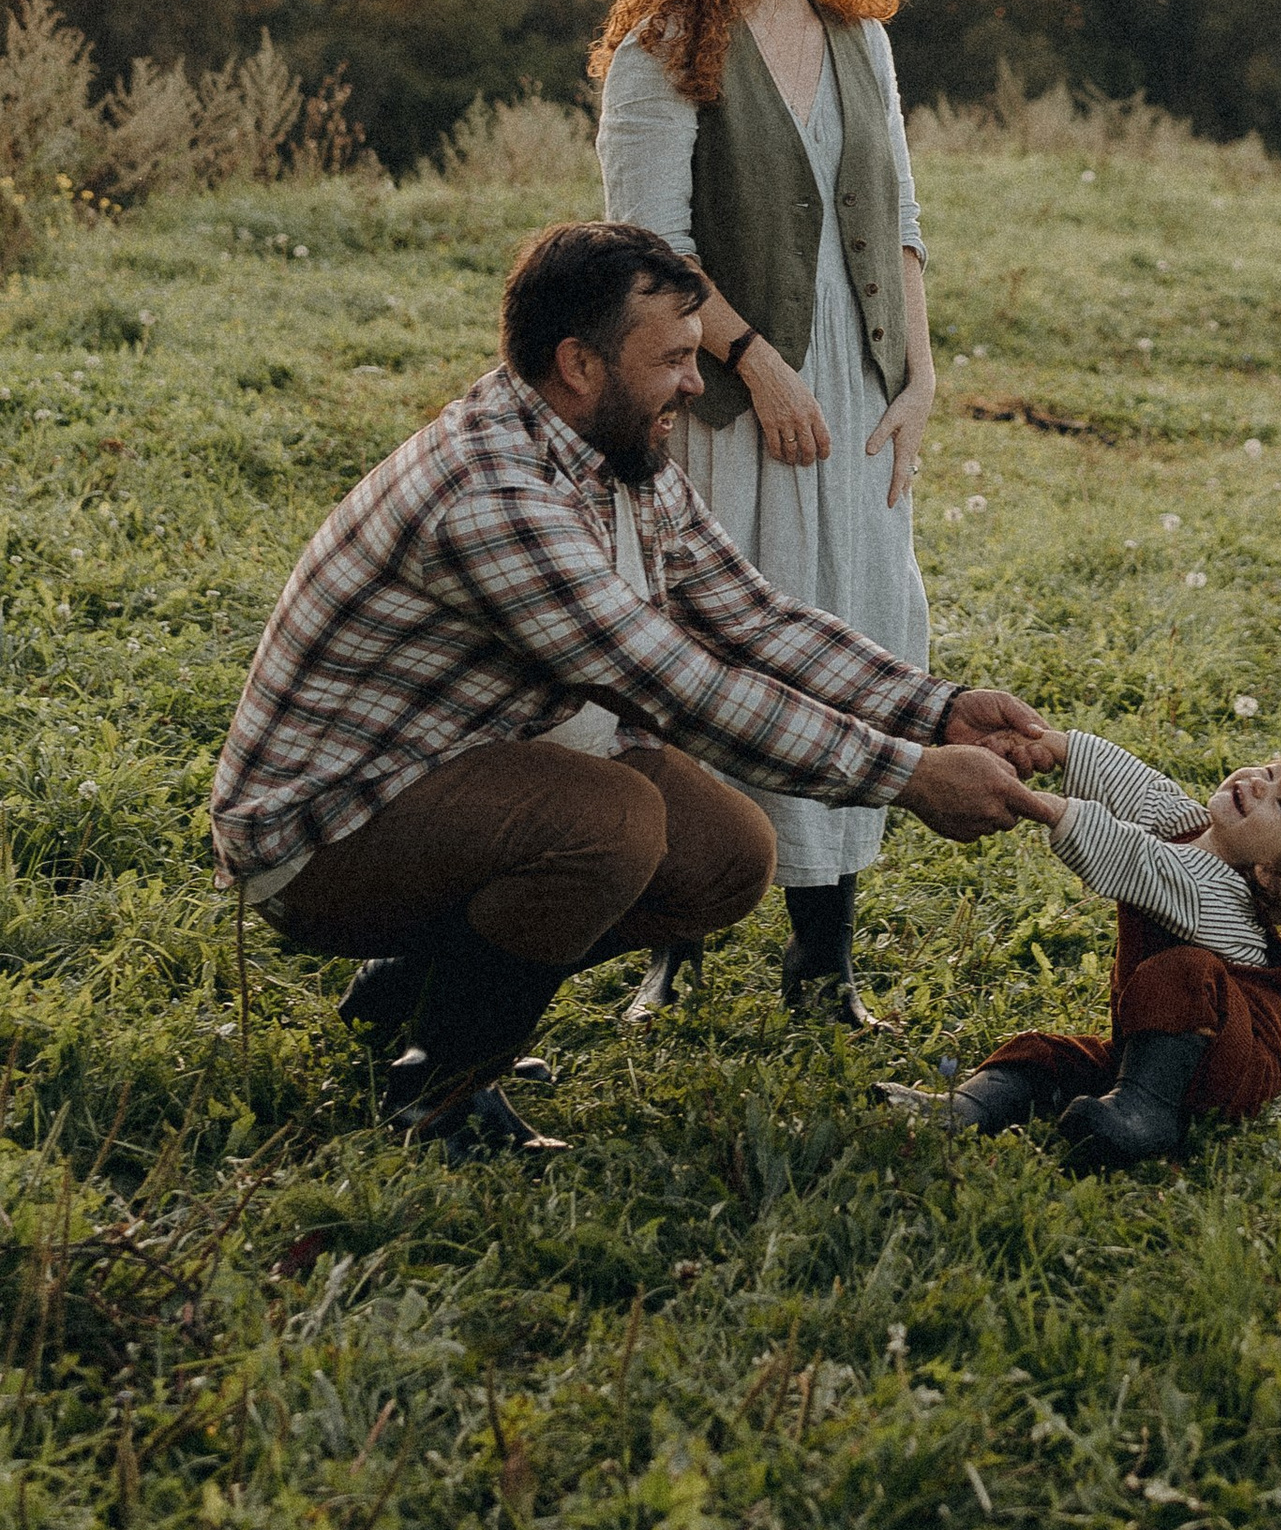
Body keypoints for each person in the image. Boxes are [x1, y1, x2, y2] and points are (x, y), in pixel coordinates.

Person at [211, 221, 1050, 1155]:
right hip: (321, 832)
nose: (696, 384)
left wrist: (934, 708)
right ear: (578, 362)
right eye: (675, 360)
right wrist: (910, 776)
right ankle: (443, 1093)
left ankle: (410, 993)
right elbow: (679, 687)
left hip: (442, 779)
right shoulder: (494, 491)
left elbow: (754, 620)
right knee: (611, 821)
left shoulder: (613, 451)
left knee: (727, 854)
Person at [594, 0, 938, 1028]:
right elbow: (649, 248)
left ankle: (823, 963)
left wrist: (921, 373)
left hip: (855, 387)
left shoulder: (864, 39)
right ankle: (671, 941)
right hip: (716, 391)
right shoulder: (665, 43)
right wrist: (756, 363)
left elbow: (896, 216)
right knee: (711, 653)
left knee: (855, 630)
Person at [893, 733, 1281, 1165]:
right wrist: (1053, 745)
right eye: (1268, 772)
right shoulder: (1192, 826)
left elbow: (1139, 859)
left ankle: (1147, 1115)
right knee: (1047, 1056)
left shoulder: (1221, 897)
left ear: (1274, 874)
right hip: (1149, 1047)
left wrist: (1039, 805)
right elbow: (1139, 788)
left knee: (1185, 970)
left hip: (1231, 1067)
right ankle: (964, 1108)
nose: (1259, 784)